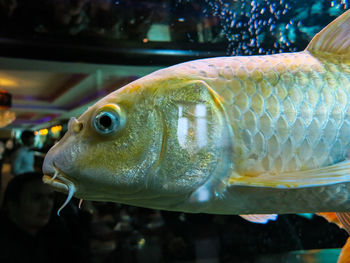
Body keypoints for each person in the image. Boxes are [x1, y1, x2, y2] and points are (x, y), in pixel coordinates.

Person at [0, 172, 92, 263]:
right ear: (13, 205)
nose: (47, 204)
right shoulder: (7, 249)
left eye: (50, 197)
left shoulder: (52, 232)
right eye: (37, 198)